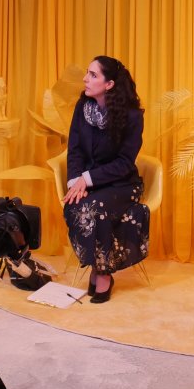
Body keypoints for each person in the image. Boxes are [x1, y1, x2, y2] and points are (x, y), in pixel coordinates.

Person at [63, 56, 150, 303]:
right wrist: (75, 182)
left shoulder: (132, 116)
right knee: (75, 205)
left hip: (121, 184)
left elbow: (124, 163)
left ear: (109, 84)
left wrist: (87, 179)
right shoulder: (82, 107)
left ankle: (102, 274)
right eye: (87, 73)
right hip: (88, 182)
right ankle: (97, 268)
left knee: (95, 208)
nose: (85, 79)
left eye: (93, 75)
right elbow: (75, 150)